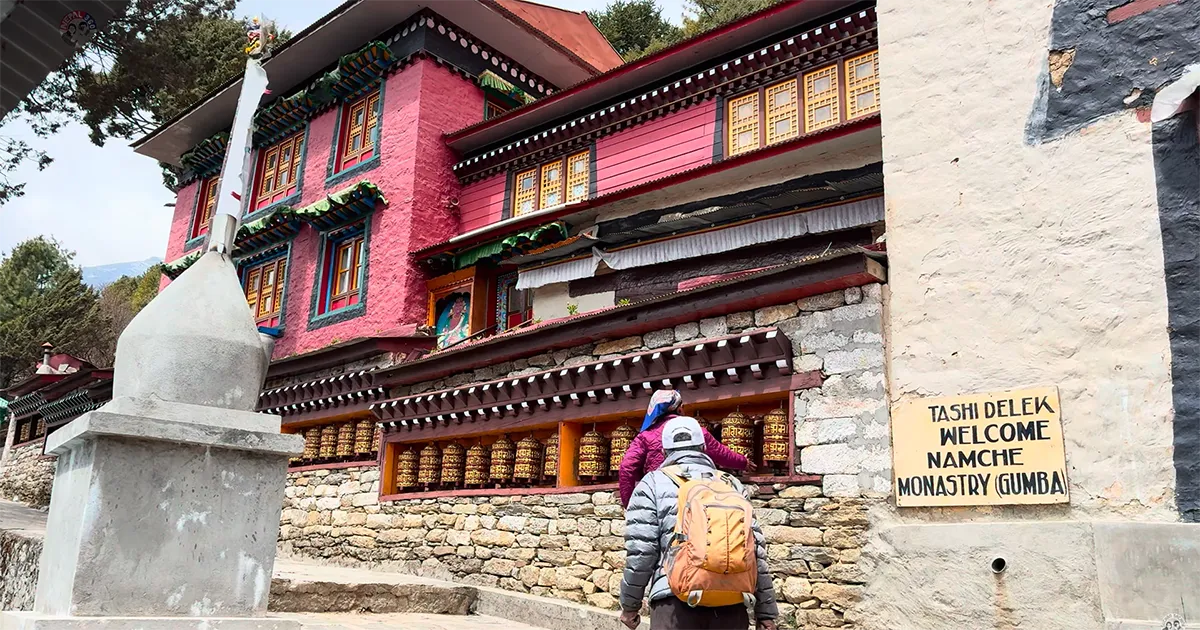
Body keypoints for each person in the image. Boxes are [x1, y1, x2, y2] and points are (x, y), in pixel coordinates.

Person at [619, 416, 778, 630]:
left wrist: (630, 606)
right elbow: (755, 551)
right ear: (704, 447)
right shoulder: (731, 484)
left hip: (674, 601)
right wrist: (766, 612)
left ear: (664, 451)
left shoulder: (652, 483)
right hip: (732, 601)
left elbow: (641, 553)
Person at [618, 389, 749, 508]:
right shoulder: (696, 430)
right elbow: (720, 453)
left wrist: (629, 503)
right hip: (695, 493)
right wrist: (744, 462)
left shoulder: (645, 436)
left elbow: (626, 467)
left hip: (659, 495)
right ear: (680, 409)